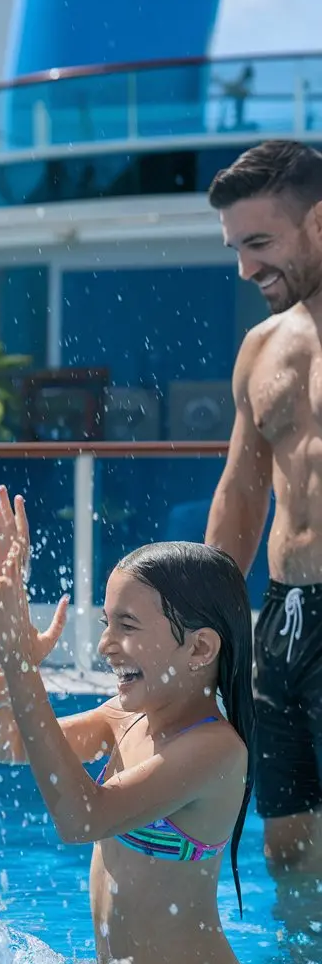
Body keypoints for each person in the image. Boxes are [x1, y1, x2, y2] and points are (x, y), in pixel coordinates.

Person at [0, 486, 257, 964]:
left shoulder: (214, 750)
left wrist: (23, 667)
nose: (105, 646)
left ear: (200, 649)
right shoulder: (126, 715)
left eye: (127, 627)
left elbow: (81, 817)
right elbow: (14, 748)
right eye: (106, 623)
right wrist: (9, 671)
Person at [204, 140, 322, 870]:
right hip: (284, 621)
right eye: (235, 247)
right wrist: (197, 627)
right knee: (288, 847)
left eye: (259, 242)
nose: (245, 267)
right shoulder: (261, 347)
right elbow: (242, 492)